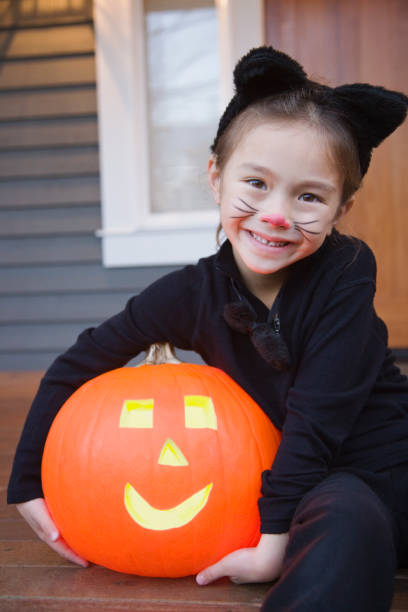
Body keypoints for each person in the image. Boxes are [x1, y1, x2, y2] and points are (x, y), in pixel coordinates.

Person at [7, 46, 408, 611]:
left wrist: (271, 549)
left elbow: (317, 419)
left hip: (378, 462)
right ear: (216, 177)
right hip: (312, 486)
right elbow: (80, 362)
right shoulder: (190, 294)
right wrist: (27, 482)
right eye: (257, 184)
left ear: (341, 209)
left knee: (344, 512)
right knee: (336, 519)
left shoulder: (346, 273)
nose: (276, 214)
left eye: (309, 196)